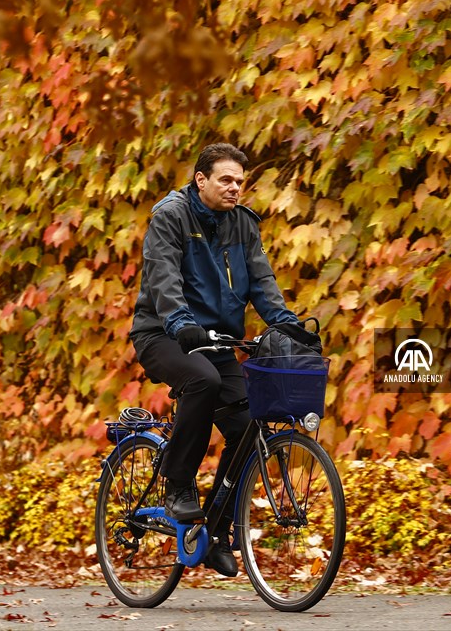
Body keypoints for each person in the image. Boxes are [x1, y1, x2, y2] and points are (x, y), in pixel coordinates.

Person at [129, 143, 312, 577]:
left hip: (216, 339)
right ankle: (177, 483)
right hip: (162, 334)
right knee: (203, 382)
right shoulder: (170, 216)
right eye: (226, 180)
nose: (235, 188)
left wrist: (289, 326)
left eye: (239, 182)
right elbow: (163, 278)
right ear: (201, 180)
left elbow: (262, 285)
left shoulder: (244, 225)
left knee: (249, 421)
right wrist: (179, 323)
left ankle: (216, 531)